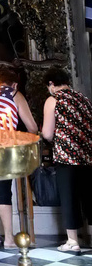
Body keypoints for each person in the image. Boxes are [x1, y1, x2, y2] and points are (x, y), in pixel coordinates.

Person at [0, 65, 38, 248]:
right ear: (14, 84)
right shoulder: (13, 94)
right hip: (3, 147)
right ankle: (9, 238)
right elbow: (32, 127)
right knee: (3, 192)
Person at [41, 66, 92, 253]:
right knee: (88, 195)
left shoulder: (53, 99)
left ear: (52, 84)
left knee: (69, 196)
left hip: (66, 155)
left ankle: (73, 241)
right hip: (87, 154)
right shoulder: (82, 98)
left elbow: (47, 133)